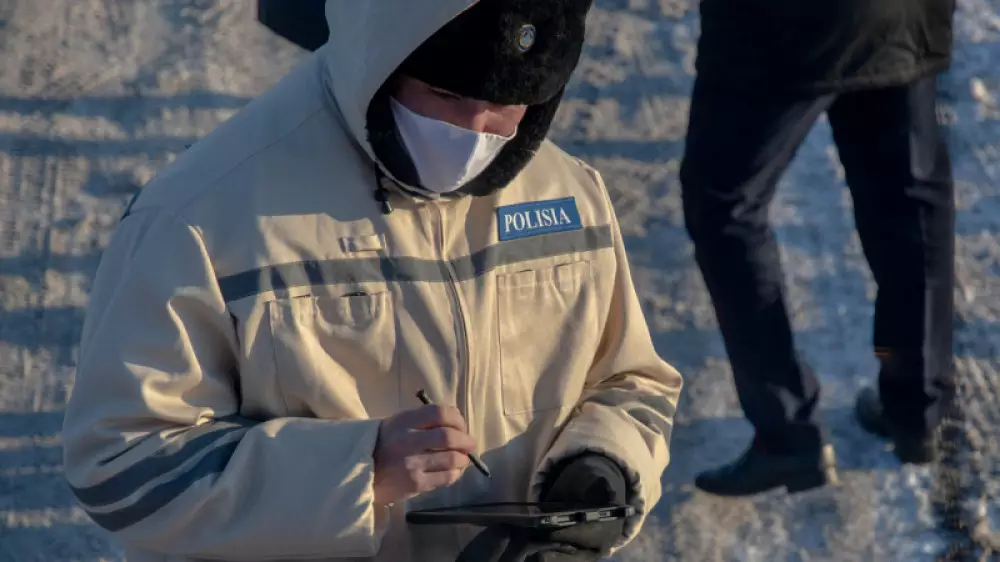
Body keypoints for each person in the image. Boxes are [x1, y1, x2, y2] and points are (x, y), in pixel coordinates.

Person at [60, 0, 684, 561]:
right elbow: (123, 465)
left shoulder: (569, 195)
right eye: (444, 95)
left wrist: (602, 464)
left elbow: (633, 380)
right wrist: (358, 472)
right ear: (380, 56)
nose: (475, 131)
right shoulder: (202, 214)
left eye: (505, 105)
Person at [680, 0, 956, 497]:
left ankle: (788, 431)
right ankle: (916, 406)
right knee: (907, 194)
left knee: (724, 204)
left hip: (781, 23)